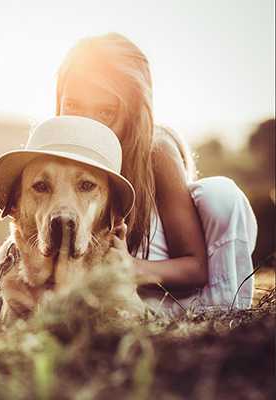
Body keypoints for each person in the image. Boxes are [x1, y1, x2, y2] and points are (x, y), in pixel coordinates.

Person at [55, 33, 257, 314]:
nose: (86, 123)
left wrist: (130, 268)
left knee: (221, 194)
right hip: (101, 303)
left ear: (135, 111)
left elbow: (195, 267)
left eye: (105, 112)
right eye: (73, 106)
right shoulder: (54, 155)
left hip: (174, 303)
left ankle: (226, 310)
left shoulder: (156, 150)